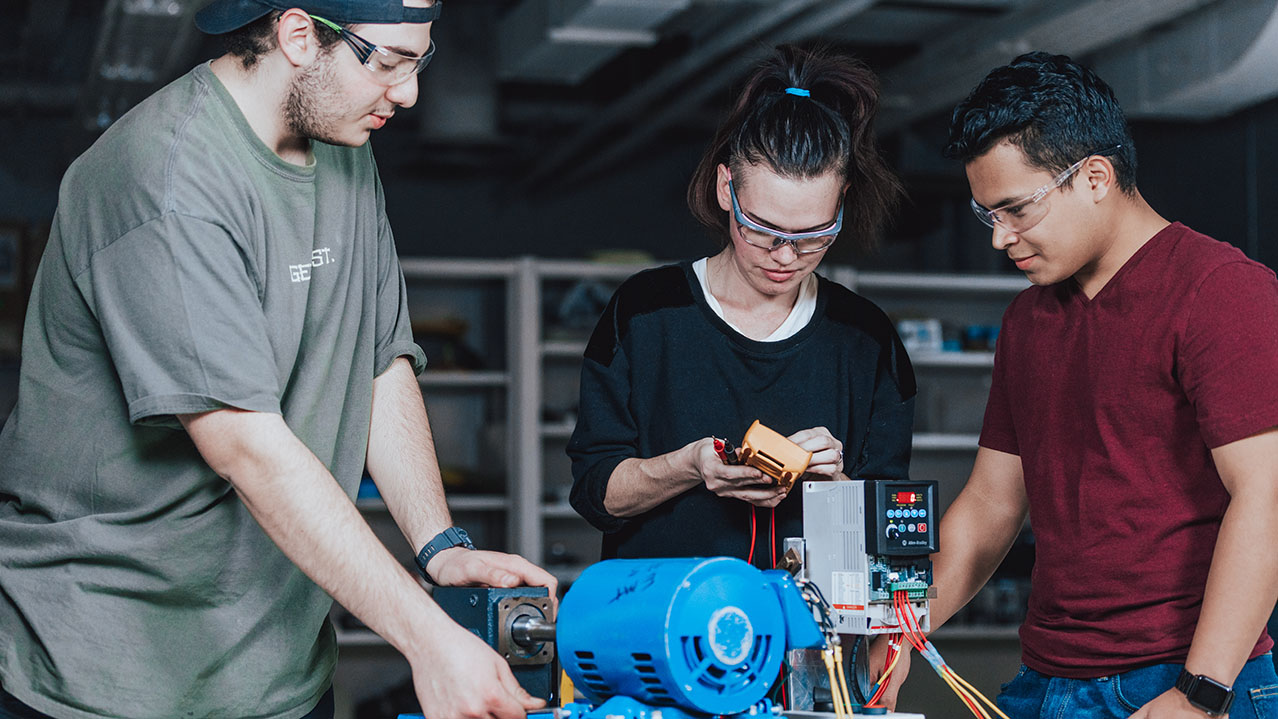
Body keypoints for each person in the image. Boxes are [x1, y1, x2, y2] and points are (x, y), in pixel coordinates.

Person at [0, 2, 555, 718]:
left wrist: (439, 546)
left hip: (278, 671)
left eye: (421, 60)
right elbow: (245, 444)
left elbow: (379, 358)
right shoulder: (168, 177)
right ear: (299, 35)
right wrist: (429, 638)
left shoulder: (347, 148)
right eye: (388, 61)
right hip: (108, 672)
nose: (410, 91)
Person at [870, 52, 1278, 719]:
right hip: (1048, 681)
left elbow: (1267, 497)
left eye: (1016, 210)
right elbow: (989, 506)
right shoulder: (1028, 321)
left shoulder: (1221, 291)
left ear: (1093, 177)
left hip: (1183, 681)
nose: (1001, 238)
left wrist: (1201, 692)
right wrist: (900, 629)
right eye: (987, 216)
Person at [566, 45, 915, 569]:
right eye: (763, 229)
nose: (785, 256)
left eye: (814, 235)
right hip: (667, 633)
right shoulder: (646, 313)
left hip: (810, 641)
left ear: (842, 202)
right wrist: (689, 466)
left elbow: (893, 531)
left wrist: (836, 485)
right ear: (727, 187)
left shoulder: (865, 338)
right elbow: (595, 492)